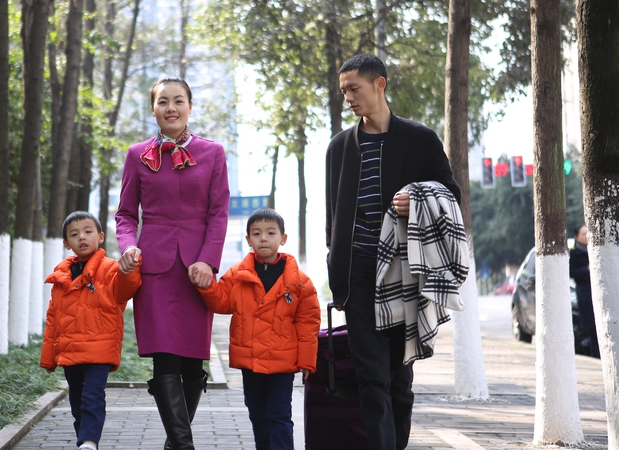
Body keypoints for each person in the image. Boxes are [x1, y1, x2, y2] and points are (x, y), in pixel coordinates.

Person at [325, 54, 461, 450]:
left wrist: (417, 198)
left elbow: (451, 194)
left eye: (355, 88)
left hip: (405, 276)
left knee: (400, 382)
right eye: (343, 91)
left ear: (380, 84)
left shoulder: (420, 140)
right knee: (371, 377)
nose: (348, 97)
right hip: (357, 277)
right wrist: (336, 264)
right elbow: (333, 218)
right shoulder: (339, 148)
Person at [116, 76, 230, 450]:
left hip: (196, 271)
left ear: (190, 107)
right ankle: (183, 444)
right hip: (155, 269)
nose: (171, 108)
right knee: (164, 359)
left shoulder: (213, 153)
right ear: (153, 109)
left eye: (178, 101)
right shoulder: (137, 155)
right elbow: (126, 215)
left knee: (193, 364)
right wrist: (129, 246)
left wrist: (209, 262)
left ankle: (173, 443)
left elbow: (218, 214)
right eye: (163, 101)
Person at [197, 207, 320, 450]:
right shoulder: (237, 275)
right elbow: (221, 302)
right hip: (250, 360)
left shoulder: (299, 282)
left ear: (283, 238)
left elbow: (308, 323)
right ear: (248, 239)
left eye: (271, 233)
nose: (263, 238)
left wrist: (307, 361)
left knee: (279, 415)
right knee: (257, 414)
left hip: (282, 363)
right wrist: (206, 285)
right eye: (257, 233)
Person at [40, 211, 142, 450]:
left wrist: (129, 269)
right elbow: (53, 318)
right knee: (77, 401)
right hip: (70, 353)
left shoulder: (110, 269)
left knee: (92, 398)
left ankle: (89, 442)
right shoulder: (61, 276)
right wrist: (49, 358)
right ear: (67, 244)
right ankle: (83, 440)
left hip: (99, 352)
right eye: (74, 235)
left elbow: (126, 289)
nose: (82, 238)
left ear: (101, 236)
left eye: (88, 232)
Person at [569, 225, 599, 358]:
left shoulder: (595, 250)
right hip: (585, 295)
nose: (586, 236)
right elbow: (572, 273)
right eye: (583, 234)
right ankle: (594, 353)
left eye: (588, 233)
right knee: (592, 328)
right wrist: (587, 269)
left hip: (598, 293)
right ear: (577, 237)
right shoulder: (574, 253)